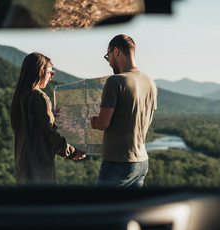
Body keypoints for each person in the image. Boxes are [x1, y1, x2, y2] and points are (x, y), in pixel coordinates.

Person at [91, 34, 157, 188]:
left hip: (118, 162)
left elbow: (103, 124)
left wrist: (93, 121)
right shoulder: (150, 82)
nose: (109, 63)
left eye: (108, 57)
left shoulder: (115, 81)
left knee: (102, 210)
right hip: (141, 162)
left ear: (116, 51)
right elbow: (148, 120)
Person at [10, 52, 85, 184]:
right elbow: (50, 133)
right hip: (38, 166)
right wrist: (72, 152)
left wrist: (49, 114)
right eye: (51, 72)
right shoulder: (40, 97)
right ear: (41, 70)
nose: (51, 77)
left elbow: (32, 125)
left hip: (22, 163)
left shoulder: (20, 96)